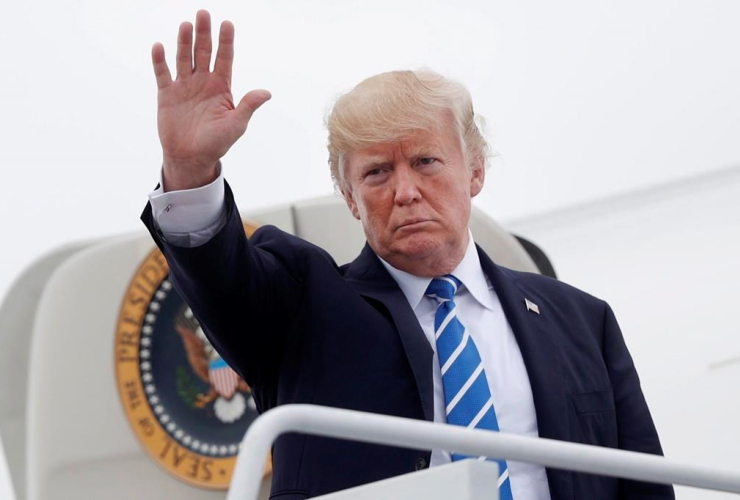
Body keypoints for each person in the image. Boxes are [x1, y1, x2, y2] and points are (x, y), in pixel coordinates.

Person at [142, 10, 674, 500]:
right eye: (377, 172)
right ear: (350, 197)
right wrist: (188, 170)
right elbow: (224, 279)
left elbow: (645, 484)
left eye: (425, 161)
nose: (405, 191)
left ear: (475, 172)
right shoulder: (301, 309)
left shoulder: (583, 321)